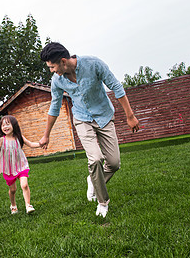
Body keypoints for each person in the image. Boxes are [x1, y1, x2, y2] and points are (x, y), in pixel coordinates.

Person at [39, 42, 139, 218]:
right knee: (95, 159)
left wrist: (130, 116)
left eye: (52, 67)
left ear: (63, 61)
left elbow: (116, 87)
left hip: (104, 116)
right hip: (82, 119)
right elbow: (54, 107)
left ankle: (93, 180)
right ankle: (103, 202)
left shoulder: (93, 64)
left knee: (114, 163)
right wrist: (46, 135)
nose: (51, 71)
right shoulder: (57, 80)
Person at [0, 115, 40, 214]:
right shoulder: (2, 140)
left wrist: (41, 144)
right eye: (3, 125)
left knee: (25, 185)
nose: (5, 127)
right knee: (13, 190)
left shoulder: (19, 137)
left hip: (21, 165)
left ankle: (28, 205)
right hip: (9, 168)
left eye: (8, 124)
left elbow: (31, 144)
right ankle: (13, 205)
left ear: (14, 125)